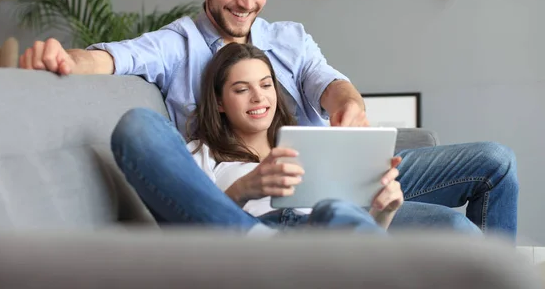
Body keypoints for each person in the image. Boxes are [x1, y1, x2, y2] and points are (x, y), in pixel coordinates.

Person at [19, 0, 517, 240]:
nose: (247, 1)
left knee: (495, 160)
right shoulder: (178, 45)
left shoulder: (290, 39)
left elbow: (330, 82)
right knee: (447, 226)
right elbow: (115, 57)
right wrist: (65, 58)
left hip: (338, 182)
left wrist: (349, 106)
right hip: (263, 201)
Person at [112, 42, 406, 234]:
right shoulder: (200, 155)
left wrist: (382, 212)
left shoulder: (308, 148)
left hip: (319, 240)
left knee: (335, 209)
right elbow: (195, 215)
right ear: (219, 103)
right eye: (241, 89)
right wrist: (243, 189)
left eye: (266, 85)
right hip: (249, 235)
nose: (258, 97)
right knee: (138, 124)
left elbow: (353, 227)